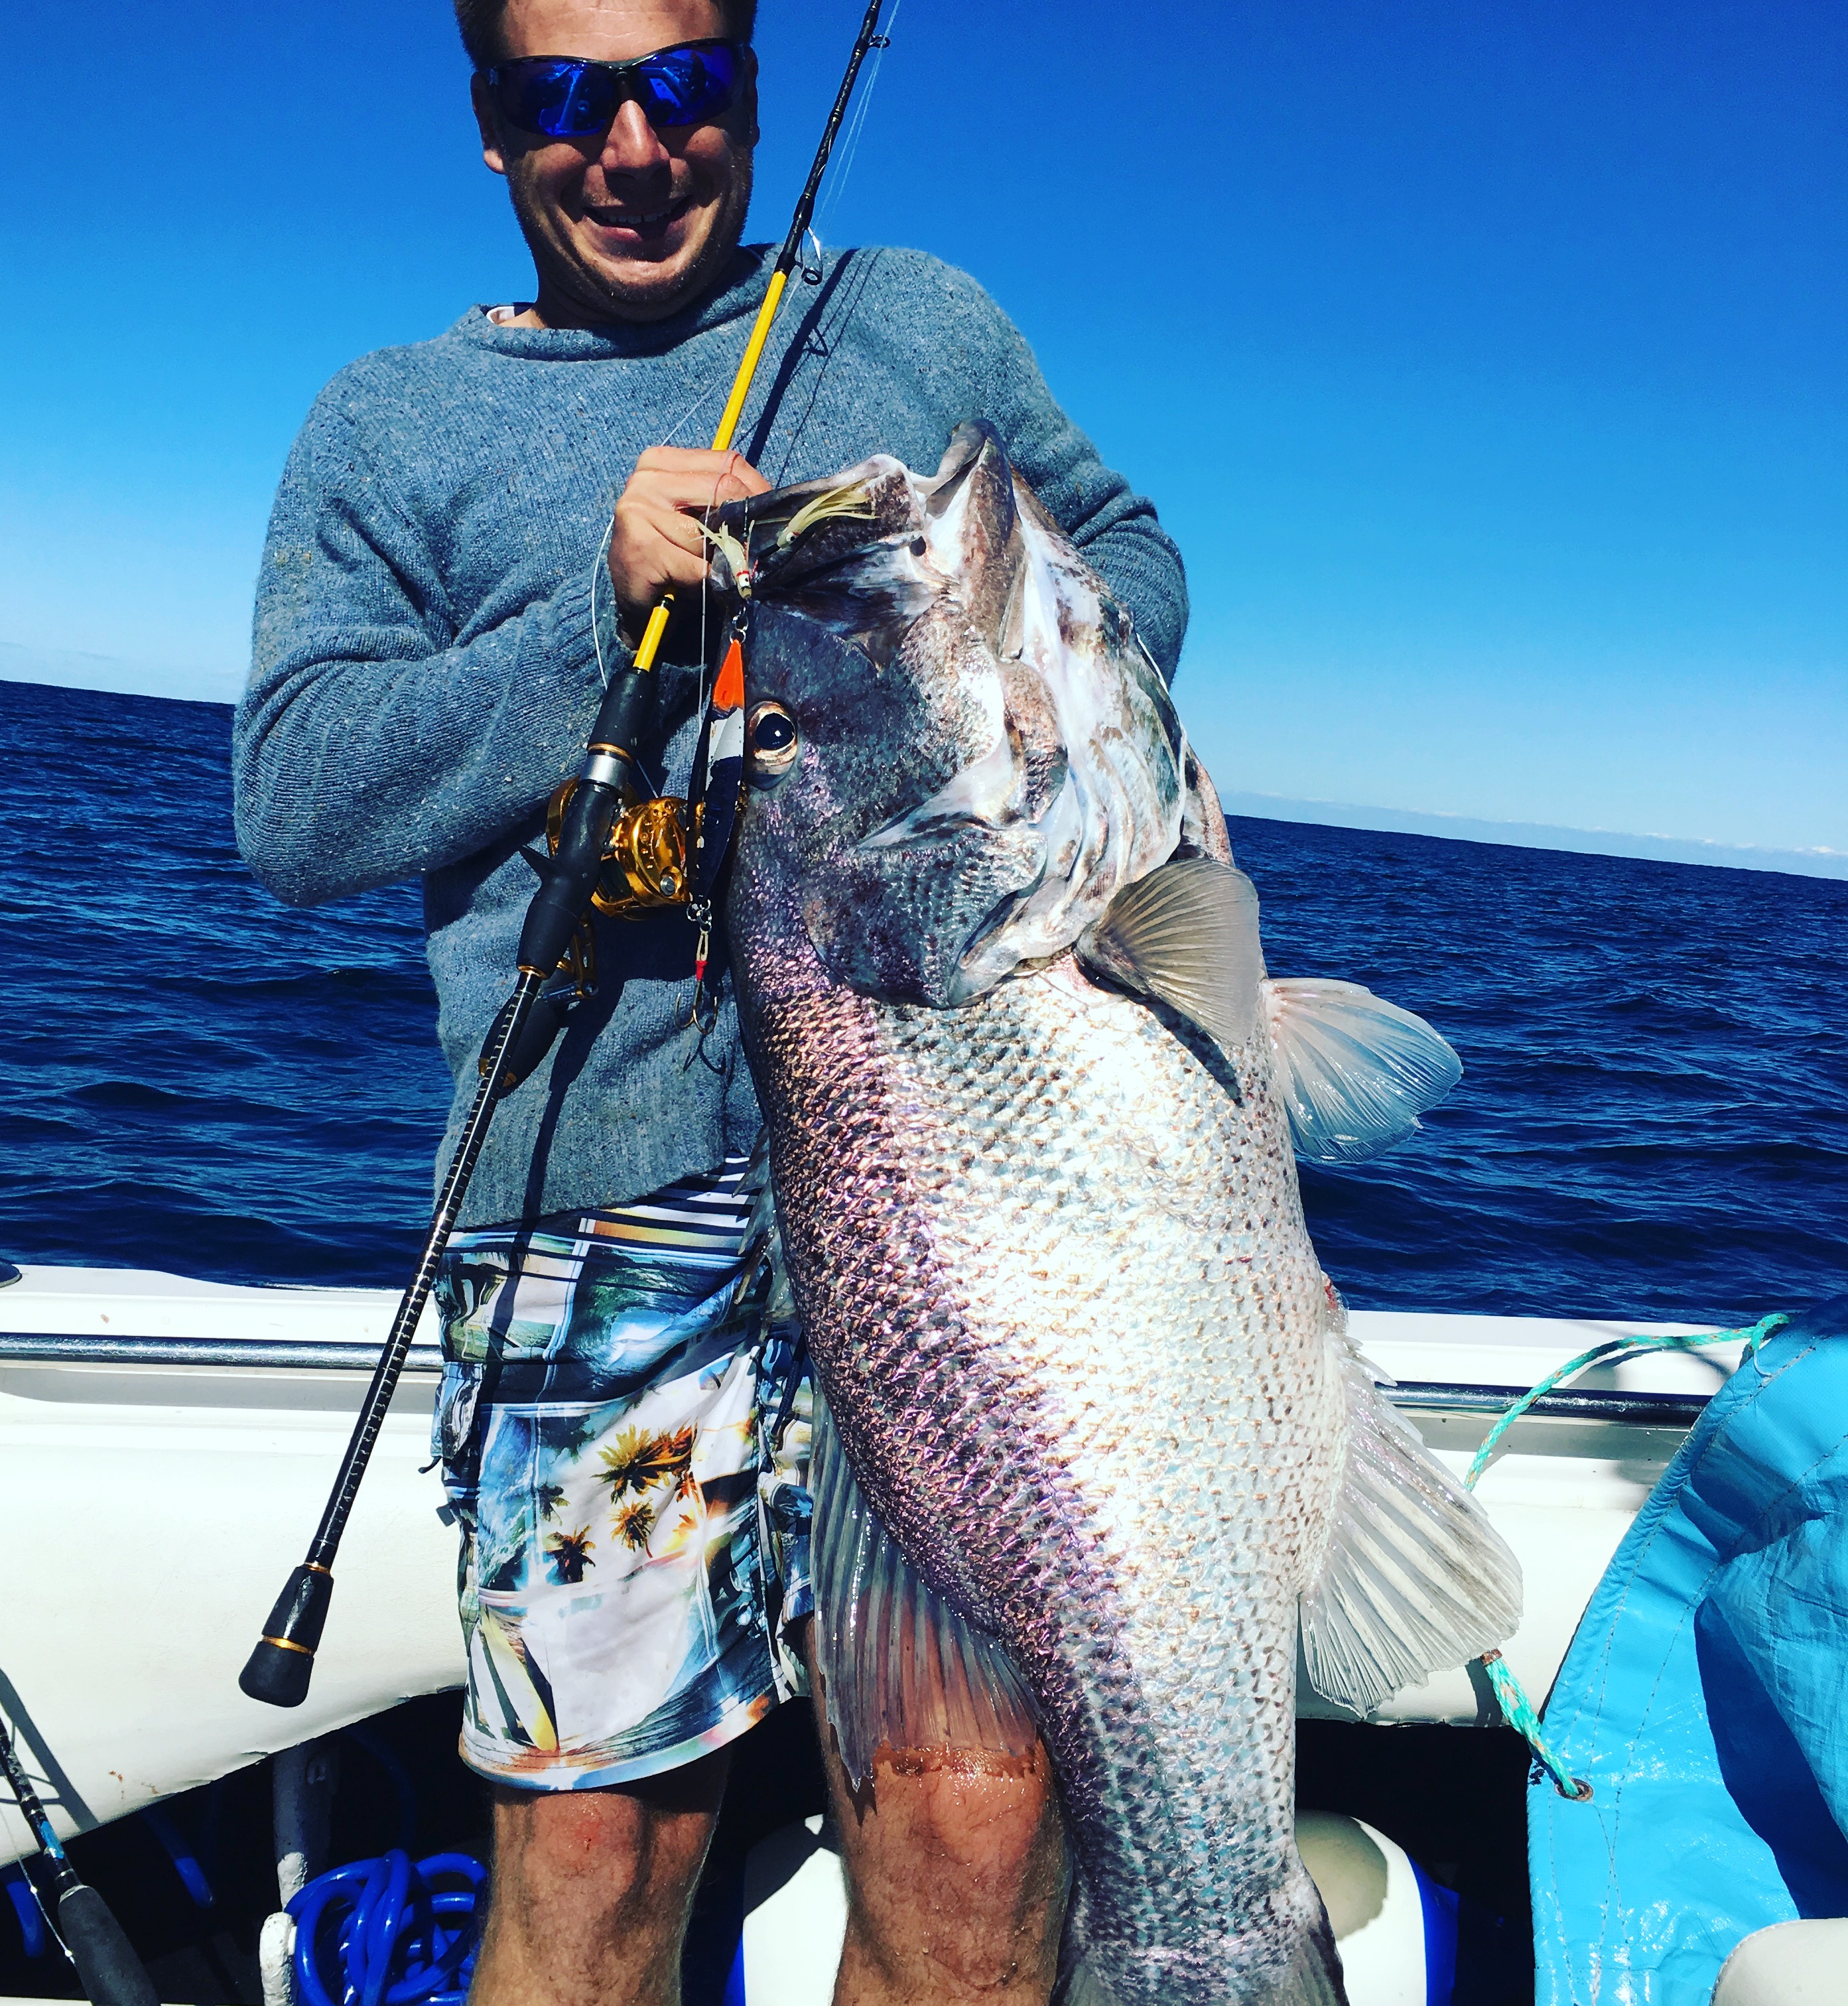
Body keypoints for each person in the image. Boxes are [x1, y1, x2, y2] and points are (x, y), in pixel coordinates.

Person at [233, 0, 1189, 2000]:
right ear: (490, 125)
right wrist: (594, 617)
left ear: (748, 95)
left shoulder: (907, 317)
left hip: (959, 1185)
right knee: (597, 1844)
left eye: (683, 83)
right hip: (599, 1205)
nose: (631, 144)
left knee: (973, 1809)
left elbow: (1124, 551)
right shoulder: (391, 423)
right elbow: (300, 802)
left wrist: (994, 667)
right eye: (562, 97)